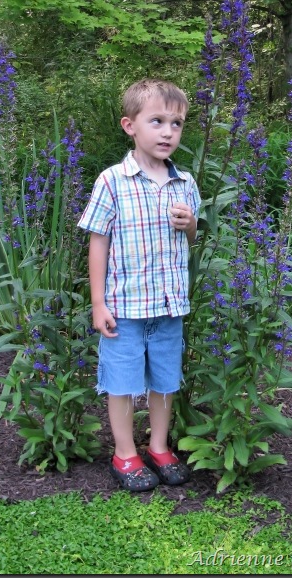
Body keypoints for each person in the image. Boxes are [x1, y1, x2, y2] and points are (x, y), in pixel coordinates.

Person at [78, 78, 201, 492]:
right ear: (130, 125)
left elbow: (192, 239)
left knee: (165, 380)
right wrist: (98, 303)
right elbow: (98, 242)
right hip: (125, 308)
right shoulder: (112, 181)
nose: (168, 131)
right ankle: (125, 453)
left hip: (168, 307)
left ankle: (160, 447)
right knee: (123, 382)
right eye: (157, 121)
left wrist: (191, 226)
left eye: (177, 123)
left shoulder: (185, 183)